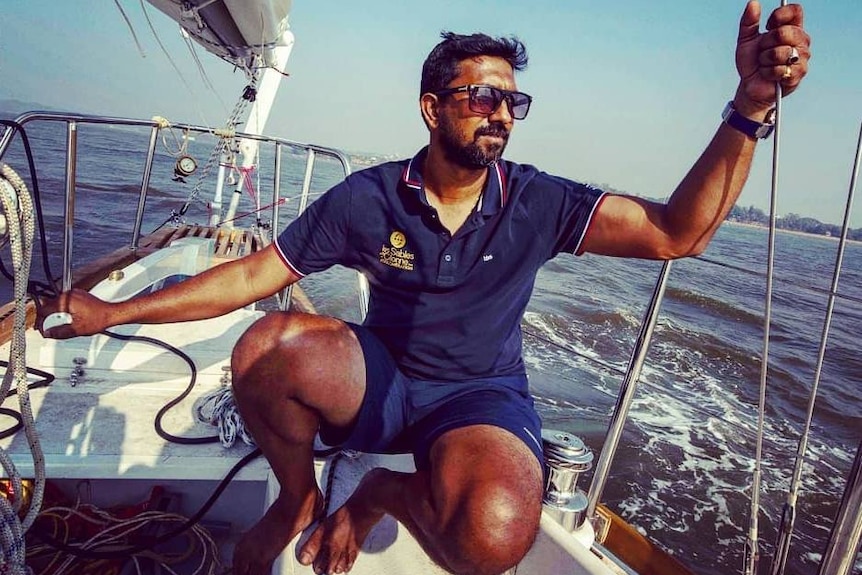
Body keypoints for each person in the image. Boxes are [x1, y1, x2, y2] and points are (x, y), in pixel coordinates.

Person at [40, 2, 810, 574]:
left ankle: (377, 490)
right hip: (381, 381)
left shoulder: (538, 201)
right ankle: (298, 495)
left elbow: (679, 232)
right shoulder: (370, 198)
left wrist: (749, 107)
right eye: (481, 96)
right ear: (432, 106)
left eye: (512, 100)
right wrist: (114, 309)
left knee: (496, 534)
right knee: (266, 347)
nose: (501, 112)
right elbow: (252, 275)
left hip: (479, 395)